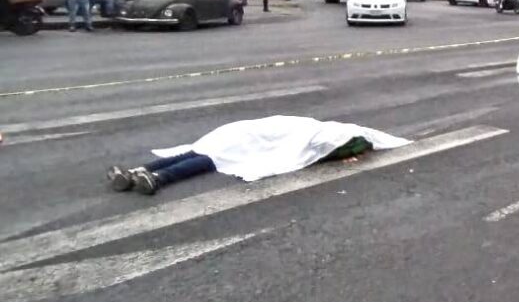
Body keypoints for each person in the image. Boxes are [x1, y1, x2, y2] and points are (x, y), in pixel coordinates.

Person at [107, 115, 411, 195]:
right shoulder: (327, 135)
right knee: (213, 159)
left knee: (201, 150)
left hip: (245, 130)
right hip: (255, 137)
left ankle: (138, 170)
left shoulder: (320, 128)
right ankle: (157, 177)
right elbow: (309, 151)